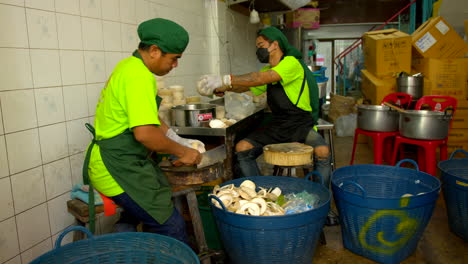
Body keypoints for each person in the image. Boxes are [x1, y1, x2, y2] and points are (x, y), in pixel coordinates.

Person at [197, 26, 338, 225]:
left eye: (261, 45)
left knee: (323, 151)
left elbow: (262, 78)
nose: (259, 50)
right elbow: (249, 85)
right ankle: (259, 198)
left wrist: (225, 78)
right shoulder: (267, 70)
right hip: (279, 125)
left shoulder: (291, 63)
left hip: (300, 124)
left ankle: (323, 206)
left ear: (274, 45)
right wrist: (223, 87)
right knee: (242, 148)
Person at [83, 18, 206, 244]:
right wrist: (183, 152)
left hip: (121, 160)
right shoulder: (138, 76)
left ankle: (129, 250)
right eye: (174, 58)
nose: (175, 65)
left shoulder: (128, 66)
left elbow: (152, 121)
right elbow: (145, 134)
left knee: (140, 210)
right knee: (171, 225)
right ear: (154, 51)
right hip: (116, 167)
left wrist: (177, 141)